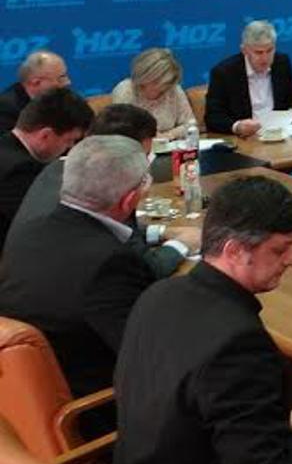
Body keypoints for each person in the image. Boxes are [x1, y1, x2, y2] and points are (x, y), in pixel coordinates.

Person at [113, 175, 292, 464]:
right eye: (280, 249)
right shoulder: (238, 344)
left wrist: (281, 421)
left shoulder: (158, 294)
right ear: (234, 251)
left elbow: (186, 413)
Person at [0, 135, 170, 404]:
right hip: (91, 406)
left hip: (20, 397)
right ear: (129, 200)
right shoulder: (110, 262)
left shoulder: (28, 232)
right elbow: (149, 353)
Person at [10, 103, 197, 275]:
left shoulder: (60, 168)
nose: (145, 163)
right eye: (143, 155)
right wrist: (180, 245)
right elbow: (143, 271)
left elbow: (111, 229)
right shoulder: (107, 185)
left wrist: (160, 232)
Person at [0, 87, 93, 249]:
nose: (70, 148)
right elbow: (41, 227)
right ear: (45, 135)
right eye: (69, 140)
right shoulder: (22, 171)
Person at [204, 19, 292, 137]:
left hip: (279, 134)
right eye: (258, 52)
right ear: (244, 50)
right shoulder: (224, 73)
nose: (265, 58)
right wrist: (237, 127)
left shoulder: (282, 63)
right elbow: (213, 117)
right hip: (245, 139)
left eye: (269, 50)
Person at [110, 47, 196, 141]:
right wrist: (149, 137)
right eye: (156, 81)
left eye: (168, 82)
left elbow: (190, 124)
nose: (164, 87)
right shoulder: (125, 90)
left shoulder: (174, 89)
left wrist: (168, 135)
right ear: (144, 76)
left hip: (169, 145)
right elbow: (120, 131)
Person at [0, 49, 71, 133]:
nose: (68, 82)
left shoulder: (60, 100)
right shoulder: (6, 109)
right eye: (61, 78)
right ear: (36, 82)